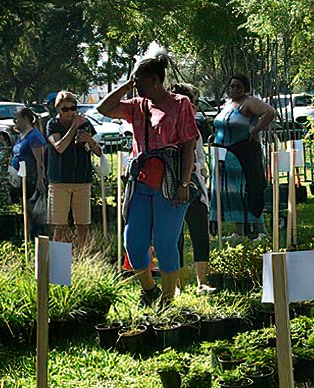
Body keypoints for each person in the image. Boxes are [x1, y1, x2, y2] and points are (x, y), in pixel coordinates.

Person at [97, 50, 200, 307]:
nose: (137, 87)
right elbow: (103, 108)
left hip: (170, 183)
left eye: (141, 82)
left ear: (155, 81)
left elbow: (188, 146)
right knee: (133, 241)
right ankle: (149, 290)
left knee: (165, 243)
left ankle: (167, 299)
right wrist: (128, 84)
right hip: (141, 182)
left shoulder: (180, 104)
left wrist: (184, 184)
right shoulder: (137, 106)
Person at [214, 74, 276, 237]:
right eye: (232, 86)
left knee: (248, 189)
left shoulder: (250, 102)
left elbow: (270, 112)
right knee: (233, 192)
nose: (234, 89)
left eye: (238, 86)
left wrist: (256, 130)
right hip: (226, 155)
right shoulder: (228, 104)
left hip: (243, 152)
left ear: (245, 88)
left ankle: (259, 228)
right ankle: (239, 230)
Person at [171, 83, 217, 293]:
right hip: (170, 188)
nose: (195, 108)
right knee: (175, 235)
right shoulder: (166, 126)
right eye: (192, 103)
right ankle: (179, 284)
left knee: (200, 232)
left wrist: (193, 167)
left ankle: (202, 281)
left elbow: (200, 157)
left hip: (195, 187)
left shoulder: (195, 129)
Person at [46, 92, 100, 247]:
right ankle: (58, 258)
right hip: (60, 181)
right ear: (58, 110)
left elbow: (98, 151)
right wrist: (74, 127)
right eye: (65, 109)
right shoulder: (52, 124)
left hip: (82, 180)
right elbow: (59, 147)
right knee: (59, 225)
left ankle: (83, 257)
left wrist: (89, 139)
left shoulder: (86, 124)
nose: (70, 112)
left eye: (73, 108)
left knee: (83, 225)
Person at [10, 107, 49, 238]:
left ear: (25, 118)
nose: (15, 121)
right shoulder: (20, 136)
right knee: (25, 211)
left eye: (17, 118)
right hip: (20, 179)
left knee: (33, 213)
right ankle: (27, 239)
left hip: (31, 179)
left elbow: (40, 160)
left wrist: (39, 180)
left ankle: (37, 238)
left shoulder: (34, 136)